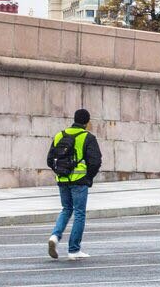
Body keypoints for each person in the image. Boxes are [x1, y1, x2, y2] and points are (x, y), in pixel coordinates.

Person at [46, 108, 102, 261]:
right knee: (79, 213)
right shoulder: (87, 137)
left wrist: (61, 172)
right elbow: (95, 161)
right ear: (87, 122)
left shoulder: (60, 135)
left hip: (63, 180)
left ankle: (54, 237)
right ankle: (74, 250)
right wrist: (88, 177)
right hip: (79, 181)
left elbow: (50, 160)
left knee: (66, 209)